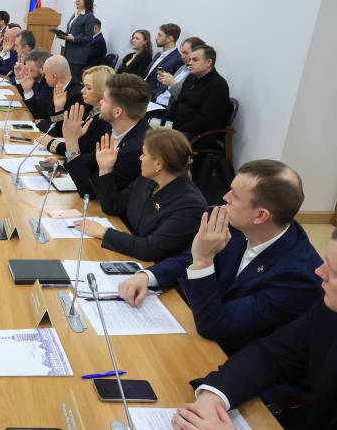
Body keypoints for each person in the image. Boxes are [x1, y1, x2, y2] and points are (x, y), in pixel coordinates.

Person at [118, 159, 323, 356]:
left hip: (236, 356)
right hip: (202, 333)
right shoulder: (243, 227)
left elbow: (216, 325)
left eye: (235, 195)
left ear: (260, 216)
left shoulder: (298, 277)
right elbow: (191, 259)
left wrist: (203, 262)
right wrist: (146, 276)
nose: (225, 197)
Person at [171, 230, 337, 430]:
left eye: (334, 272)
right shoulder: (328, 309)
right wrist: (214, 395)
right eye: (327, 262)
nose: (319, 272)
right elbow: (273, 354)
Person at [85, 129, 207, 261]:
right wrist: (105, 169)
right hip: (130, 255)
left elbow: (150, 249)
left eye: (144, 154)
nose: (140, 158)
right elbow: (113, 205)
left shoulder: (190, 205)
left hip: (155, 267)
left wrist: (104, 233)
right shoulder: (148, 180)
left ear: (158, 163)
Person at [63, 73, 151, 197]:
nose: (100, 102)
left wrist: (71, 142)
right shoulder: (112, 127)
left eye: (104, 100)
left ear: (117, 112)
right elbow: (91, 161)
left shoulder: (137, 150)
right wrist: (63, 163)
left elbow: (89, 190)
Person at [164, 44, 232, 139]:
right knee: (150, 129)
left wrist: (175, 129)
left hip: (197, 134)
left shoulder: (218, 85)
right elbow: (178, 102)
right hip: (178, 125)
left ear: (208, 62)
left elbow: (205, 121)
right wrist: (165, 121)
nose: (190, 63)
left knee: (160, 140)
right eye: (190, 59)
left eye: (195, 60)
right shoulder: (191, 77)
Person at [46, 65, 113, 156]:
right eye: (84, 86)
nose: (82, 91)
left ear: (102, 90)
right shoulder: (87, 108)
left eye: (88, 88)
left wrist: (51, 144)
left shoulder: (103, 120)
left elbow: (80, 151)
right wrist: (59, 108)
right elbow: (57, 131)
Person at [34, 55, 84, 133]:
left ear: (54, 76)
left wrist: (39, 123)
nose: (45, 77)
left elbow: (60, 130)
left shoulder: (78, 95)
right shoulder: (57, 87)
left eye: (45, 74)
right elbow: (43, 112)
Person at [154, 37, 205, 107]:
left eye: (185, 53)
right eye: (182, 53)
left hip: (168, 107)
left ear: (196, 53)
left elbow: (184, 99)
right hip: (158, 99)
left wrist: (172, 83)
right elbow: (167, 91)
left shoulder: (197, 74)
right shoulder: (182, 67)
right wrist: (163, 81)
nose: (182, 56)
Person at [60, 0, 95, 81]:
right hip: (68, 53)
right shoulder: (76, 13)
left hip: (77, 57)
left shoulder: (89, 16)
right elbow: (71, 32)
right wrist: (63, 35)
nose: (77, 0)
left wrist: (74, 39)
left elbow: (89, 37)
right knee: (65, 80)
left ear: (87, 0)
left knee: (73, 82)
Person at [144, 23, 184, 95]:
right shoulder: (158, 55)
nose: (156, 38)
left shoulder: (177, 60)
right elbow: (147, 76)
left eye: (160, 35)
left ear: (169, 38)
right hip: (141, 90)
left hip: (150, 96)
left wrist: (144, 94)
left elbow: (165, 87)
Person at [16, 48, 53, 119]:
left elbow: (37, 112)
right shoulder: (36, 78)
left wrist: (28, 91)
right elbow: (23, 99)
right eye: (27, 69)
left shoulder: (49, 84)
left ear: (43, 69)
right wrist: (19, 78)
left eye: (32, 70)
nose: (28, 73)